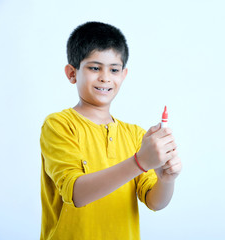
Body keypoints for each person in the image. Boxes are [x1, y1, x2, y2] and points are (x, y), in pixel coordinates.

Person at [40, 21, 182, 240]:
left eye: (114, 69)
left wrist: (167, 179)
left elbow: (155, 202)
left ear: (123, 75)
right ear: (72, 73)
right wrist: (140, 162)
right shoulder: (59, 125)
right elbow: (76, 194)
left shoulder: (135, 135)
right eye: (95, 68)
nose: (105, 77)